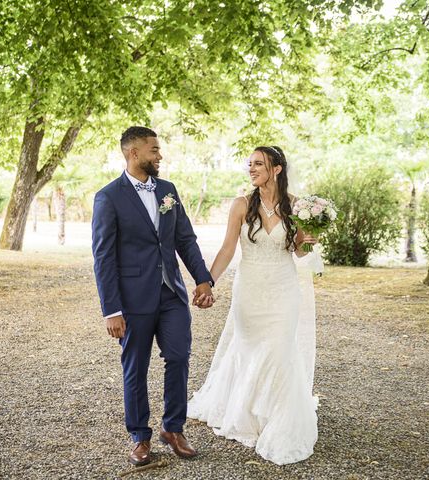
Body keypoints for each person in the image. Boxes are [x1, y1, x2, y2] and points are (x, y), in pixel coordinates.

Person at [187, 145, 319, 465]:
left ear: (276, 169)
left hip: (284, 291)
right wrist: (207, 282)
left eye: (258, 164)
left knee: (278, 351)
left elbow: (300, 252)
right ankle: (249, 413)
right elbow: (227, 249)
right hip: (250, 291)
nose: (252, 169)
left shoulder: (297, 206)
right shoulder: (241, 205)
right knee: (250, 351)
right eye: (249, 164)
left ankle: (278, 418)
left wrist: (313, 237)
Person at [91, 126, 215, 467]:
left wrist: (203, 280)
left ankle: (173, 429)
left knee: (178, 357)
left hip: (171, 294)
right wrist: (111, 309)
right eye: (154, 150)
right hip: (132, 300)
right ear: (134, 153)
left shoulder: (167, 190)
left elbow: (185, 239)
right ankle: (140, 437)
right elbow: (103, 257)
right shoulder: (109, 197)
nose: (159, 156)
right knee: (136, 368)